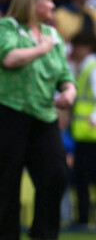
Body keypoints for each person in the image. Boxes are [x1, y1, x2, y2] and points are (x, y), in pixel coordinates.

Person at [0, 0, 76, 240]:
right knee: (7, 185)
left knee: (55, 174)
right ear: (32, 3)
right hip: (5, 114)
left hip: (43, 115)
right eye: (48, 0)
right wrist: (42, 48)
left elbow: (65, 73)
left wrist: (69, 91)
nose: (53, 5)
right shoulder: (6, 27)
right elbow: (8, 58)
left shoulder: (53, 34)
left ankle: (43, 235)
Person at [68, 30, 96, 226]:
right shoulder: (85, 67)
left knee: (82, 179)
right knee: (82, 179)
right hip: (85, 133)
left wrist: (93, 119)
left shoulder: (92, 68)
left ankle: (83, 219)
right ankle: (83, 218)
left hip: (90, 133)